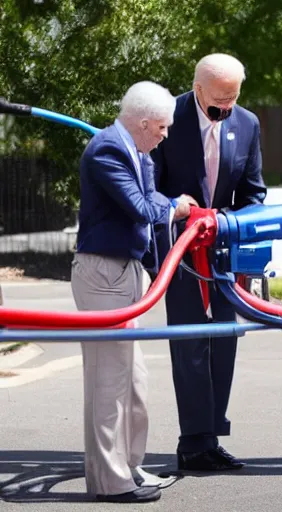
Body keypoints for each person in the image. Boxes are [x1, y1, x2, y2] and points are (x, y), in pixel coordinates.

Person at [71, 81, 191, 503]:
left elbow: (150, 197)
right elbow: (140, 207)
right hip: (102, 274)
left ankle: (129, 465)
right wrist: (175, 207)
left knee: (134, 382)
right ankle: (110, 481)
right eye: (161, 127)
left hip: (125, 272)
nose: (165, 135)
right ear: (142, 123)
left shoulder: (137, 151)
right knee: (109, 382)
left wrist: (173, 204)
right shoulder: (107, 150)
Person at [152, 53, 267, 471]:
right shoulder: (166, 118)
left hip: (225, 252)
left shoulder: (247, 123)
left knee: (224, 341)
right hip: (180, 253)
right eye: (219, 100)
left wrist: (230, 224)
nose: (227, 108)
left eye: (234, 97)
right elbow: (149, 188)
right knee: (189, 345)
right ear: (197, 89)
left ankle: (212, 435)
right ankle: (192, 441)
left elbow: (254, 194)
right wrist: (180, 210)